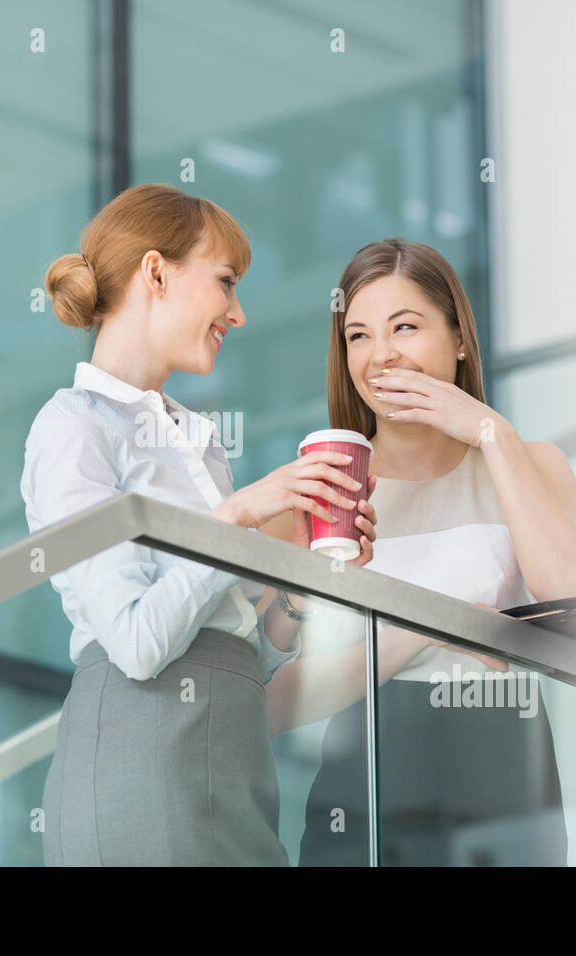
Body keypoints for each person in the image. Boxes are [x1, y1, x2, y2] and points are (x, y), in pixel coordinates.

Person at [20, 183, 379, 866]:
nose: (237, 314)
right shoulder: (74, 427)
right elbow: (135, 641)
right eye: (225, 283)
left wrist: (296, 592)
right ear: (156, 273)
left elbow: (245, 647)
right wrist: (240, 515)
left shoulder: (198, 441)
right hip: (144, 750)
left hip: (233, 750)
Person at [262, 239, 576, 865]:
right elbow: (272, 705)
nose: (381, 354)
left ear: (461, 341)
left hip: (501, 761)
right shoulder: (320, 490)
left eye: (406, 327)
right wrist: (424, 632)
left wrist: (490, 432)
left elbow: (572, 596)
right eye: (358, 336)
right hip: (364, 774)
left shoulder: (530, 465)